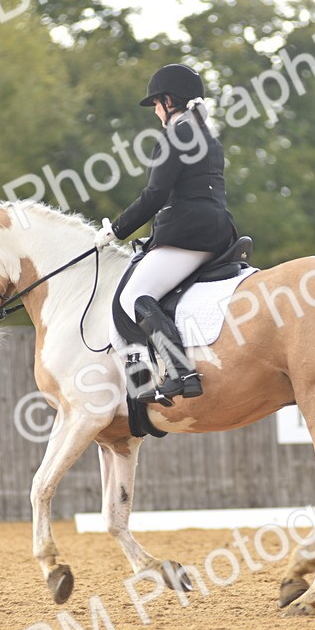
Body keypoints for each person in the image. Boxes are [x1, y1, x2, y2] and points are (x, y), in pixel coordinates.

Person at [96, 63, 237, 404]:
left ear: (169, 101)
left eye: (156, 105)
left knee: (135, 297)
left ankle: (179, 370)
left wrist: (115, 230)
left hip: (187, 232)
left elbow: (155, 196)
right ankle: (145, 378)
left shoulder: (176, 134)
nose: (156, 112)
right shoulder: (208, 136)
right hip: (219, 230)